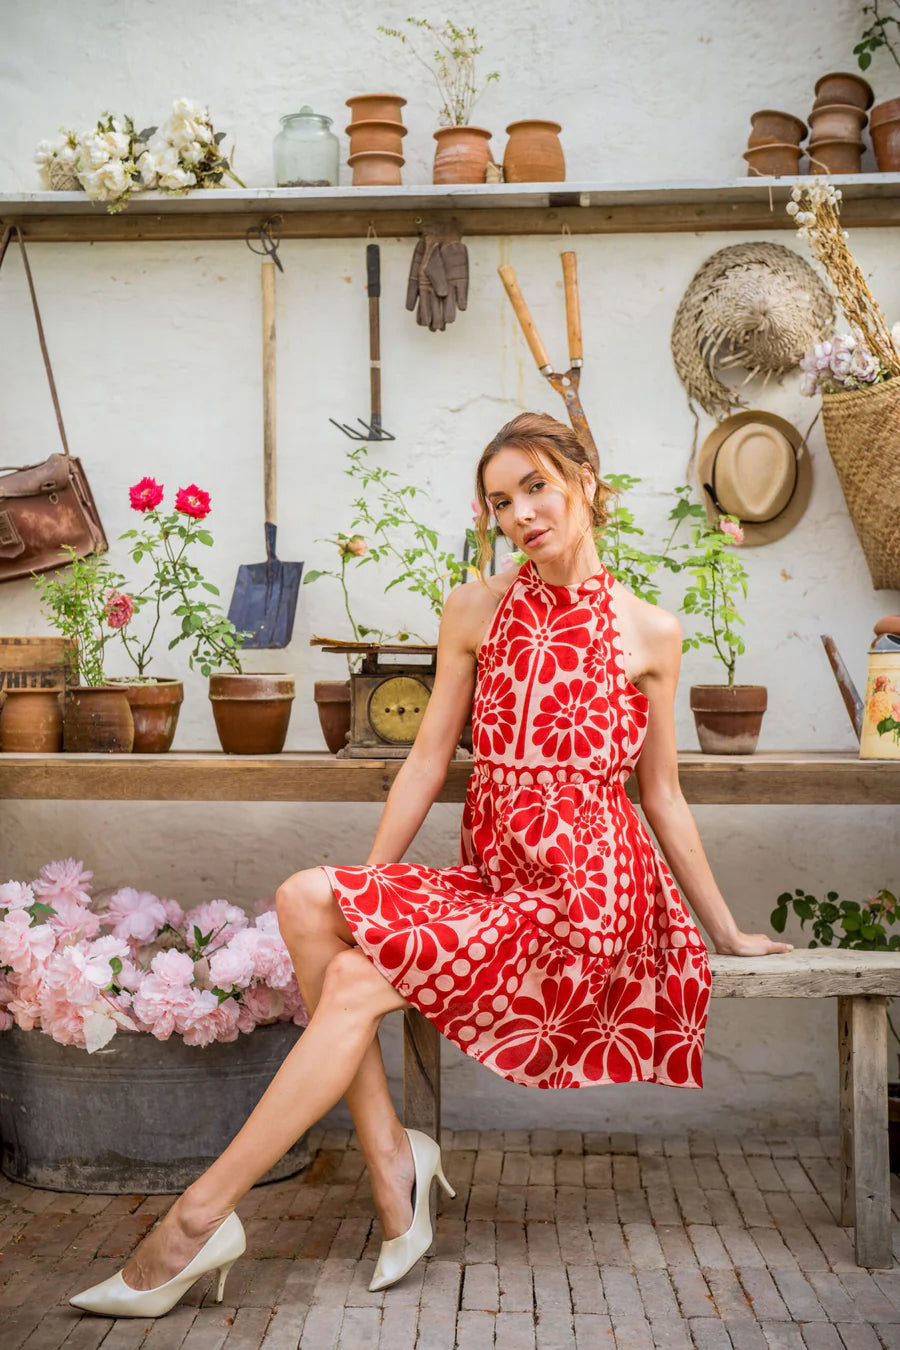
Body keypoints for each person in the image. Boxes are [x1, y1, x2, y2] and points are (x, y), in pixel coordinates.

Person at [70, 411, 792, 1318]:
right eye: (500, 501)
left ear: (586, 485)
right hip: (496, 881)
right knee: (306, 901)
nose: (521, 514)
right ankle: (394, 1165)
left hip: (585, 897)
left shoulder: (651, 633)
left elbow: (663, 797)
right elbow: (425, 758)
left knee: (359, 985)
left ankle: (194, 1224)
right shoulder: (474, 609)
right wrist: (364, 894)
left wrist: (723, 929)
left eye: (536, 487)